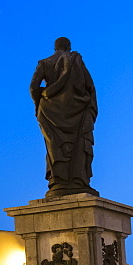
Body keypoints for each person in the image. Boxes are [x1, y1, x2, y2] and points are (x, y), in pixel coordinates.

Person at [29, 36, 98, 198]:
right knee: (79, 144)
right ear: (69, 46)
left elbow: (33, 87)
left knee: (55, 147)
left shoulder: (45, 63)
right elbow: (90, 86)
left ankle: (58, 181)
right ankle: (78, 180)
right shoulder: (76, 61)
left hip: (50, 111)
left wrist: (42, 99)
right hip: (78, 109)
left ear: (55, 48)